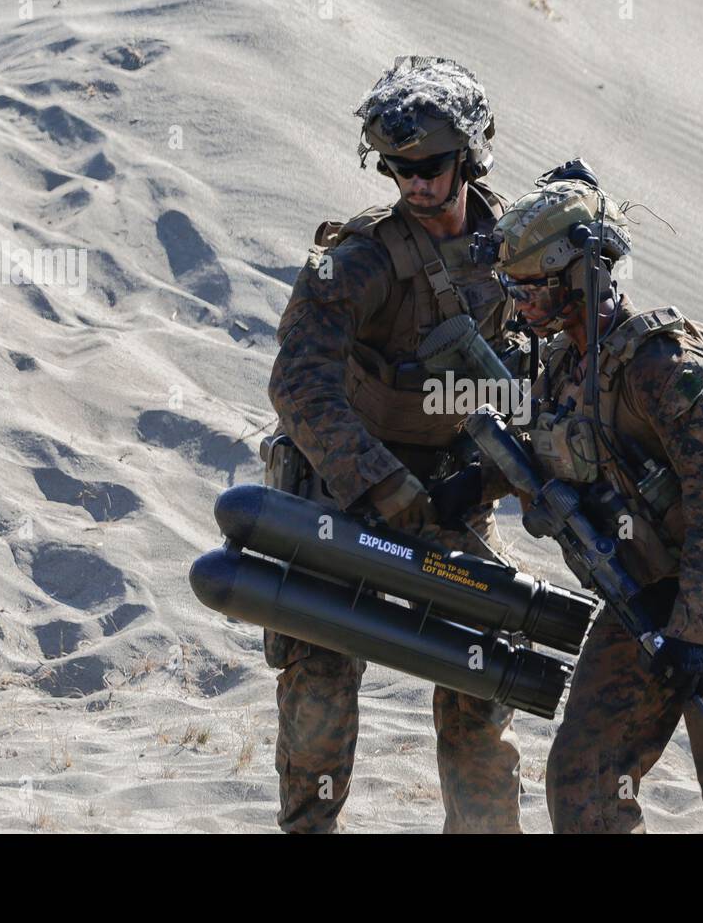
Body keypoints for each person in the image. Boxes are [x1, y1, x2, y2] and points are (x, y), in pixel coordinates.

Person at [483, 166, 703, 833]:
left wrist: (698, 634)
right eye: (509, 286)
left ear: (578, 277)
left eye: (528, 286)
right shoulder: (558, 368)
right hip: (641, 598)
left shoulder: (660, 362)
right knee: (583, 782)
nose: (516, 302)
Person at [263, 56, 524, 833]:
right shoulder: (352, 261)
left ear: (469, 157)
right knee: (320, 675)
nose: (413, 184)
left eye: (430, 167)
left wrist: (480, 484)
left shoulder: (520, 253)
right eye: (397, 168)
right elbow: (299, 384)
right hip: (341, 490)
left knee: (483, 671)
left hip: (451, 488)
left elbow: (544, 390)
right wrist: (380, 484)